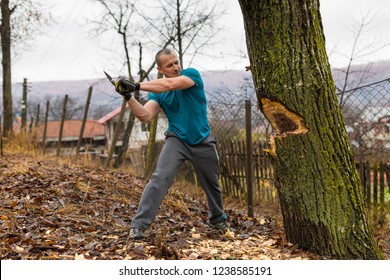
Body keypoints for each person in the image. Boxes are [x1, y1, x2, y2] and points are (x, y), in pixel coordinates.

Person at [114, 48, 234, 240]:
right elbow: (145, 116)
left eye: (176, 62)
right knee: (159, 179)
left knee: (211, 184)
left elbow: (169, 85)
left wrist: (135, 85)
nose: (176, 67)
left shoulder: (191, 75)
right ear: (161, 69)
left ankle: (217, 219)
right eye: (170, 65)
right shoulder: (158, 94)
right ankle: (138, 226)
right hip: (177, 140)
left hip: (203, 140)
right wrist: (129, 96)